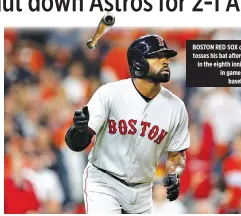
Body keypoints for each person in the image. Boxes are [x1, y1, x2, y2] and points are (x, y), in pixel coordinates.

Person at [64, 34, 190, 214]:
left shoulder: (176, 107)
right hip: (104, 181)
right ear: (138, 62)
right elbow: (76, 143)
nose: (165, 61)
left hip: (142, 190)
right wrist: (79, 130)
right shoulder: (110, 93)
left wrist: (174, 174)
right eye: (157, 56)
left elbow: (176, 155)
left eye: (166, 56)